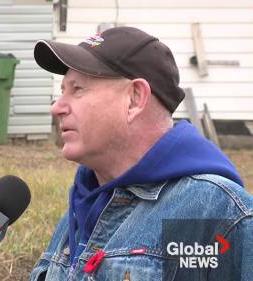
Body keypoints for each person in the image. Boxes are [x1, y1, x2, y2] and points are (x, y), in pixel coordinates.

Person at [29, 26, 252, 281]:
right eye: (62, 91)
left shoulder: (213, 212)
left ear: (135, 99)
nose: (56, 107)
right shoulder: (81, 205)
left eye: (77, 89)